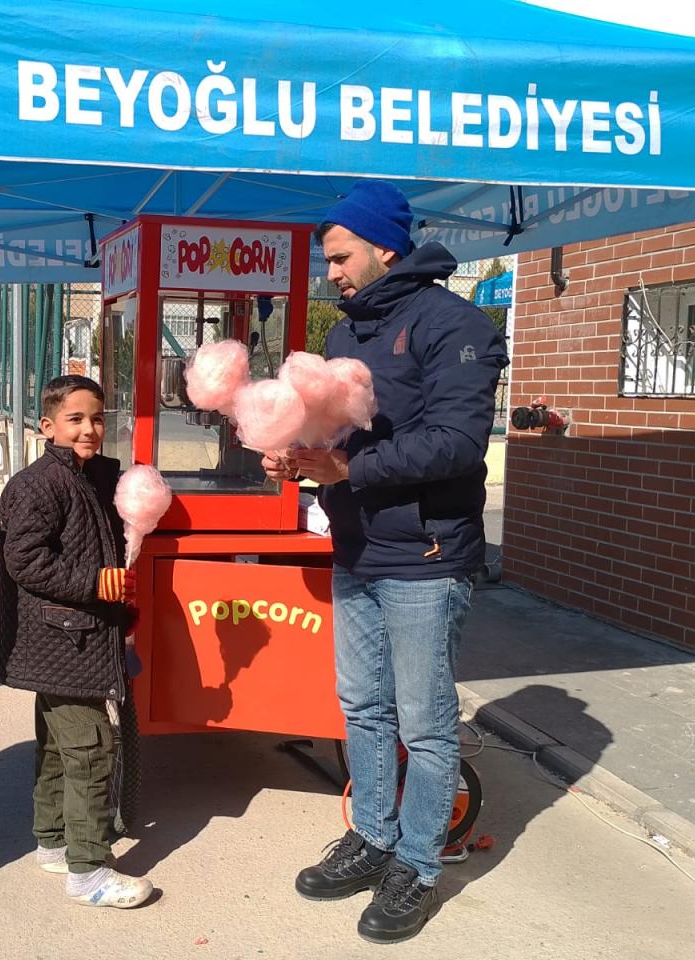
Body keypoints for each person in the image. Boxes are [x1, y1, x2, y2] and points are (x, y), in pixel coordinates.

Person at [263, 180, 508, 944]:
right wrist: (304, 457)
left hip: (427, 557)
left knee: (427, 727)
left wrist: (348, 472)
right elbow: (344, 440)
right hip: (358, 548)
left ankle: (417, 865)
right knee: (362, 709)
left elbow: (461, 442)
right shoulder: (343, 338)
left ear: (384, 248)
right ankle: (371, 837)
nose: (330, 273)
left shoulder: (455, 324)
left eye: (339, 258)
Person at [0, 375, 154, 909]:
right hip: (61, 641)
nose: (90, 428)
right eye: (76, 419)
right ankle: (88, 869)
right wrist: (94, 582)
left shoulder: (95, 475)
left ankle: (53, 840)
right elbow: (25, 560)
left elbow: (134, 486)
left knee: (60, 748)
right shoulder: (36, 485)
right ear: (47, 427)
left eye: (98, 418)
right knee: (91, 748)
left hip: (78, 639)